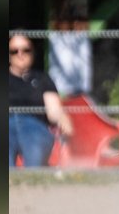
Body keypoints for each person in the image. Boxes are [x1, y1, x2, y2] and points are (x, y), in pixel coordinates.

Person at [8, 34, 73, 167]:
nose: (20, 54)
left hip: (34, 126)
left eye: (26, 50)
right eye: (14, 51)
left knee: (35, 155)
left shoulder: (42, 78)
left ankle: (32, 184)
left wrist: (63, 118)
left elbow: (53, 110)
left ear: (33, 52)